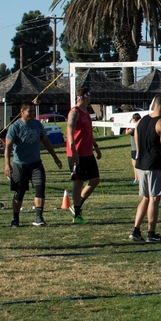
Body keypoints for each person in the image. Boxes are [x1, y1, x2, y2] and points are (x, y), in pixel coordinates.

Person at [4, 102, 64, 227]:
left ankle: (39, 217)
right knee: (19, 192)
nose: (32, 113)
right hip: (20, 164)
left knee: (40, 189)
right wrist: (7, 164)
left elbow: (46, 141)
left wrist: (55, 157)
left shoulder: (37, 124)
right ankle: (15, 218)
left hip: (36, 163)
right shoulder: (15, 126)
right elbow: (8, 146)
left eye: (33, 111)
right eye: (29, 111)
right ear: (22, 111)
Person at [130, 95, 161, 243]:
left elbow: (137, 142)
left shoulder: (142, 121)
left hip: (141, 164)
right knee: (155, 199)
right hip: (154, 164)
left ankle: (136, 230)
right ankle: (151, 233)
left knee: (145, 197)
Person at [66, 89, 102, 224]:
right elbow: (69, 133)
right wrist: (73, 151)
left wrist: (96, 147)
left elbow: (88, 133)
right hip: (77, 153)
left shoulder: (86, 113)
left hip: (88, 153)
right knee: (78, 182)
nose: (90, 99)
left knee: (95, 180)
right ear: (84, 97)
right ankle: (77, 213)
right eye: (89, 96)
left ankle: (77, 204)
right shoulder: (74, 112)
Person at [128, 113, 142, 184]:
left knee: (135, 164)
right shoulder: (141, 125)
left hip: (134, 148)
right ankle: (137, 178)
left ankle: (137, 179)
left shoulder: (133, 126)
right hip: (139, 147)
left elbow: (127, 132)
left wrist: (128, 123)